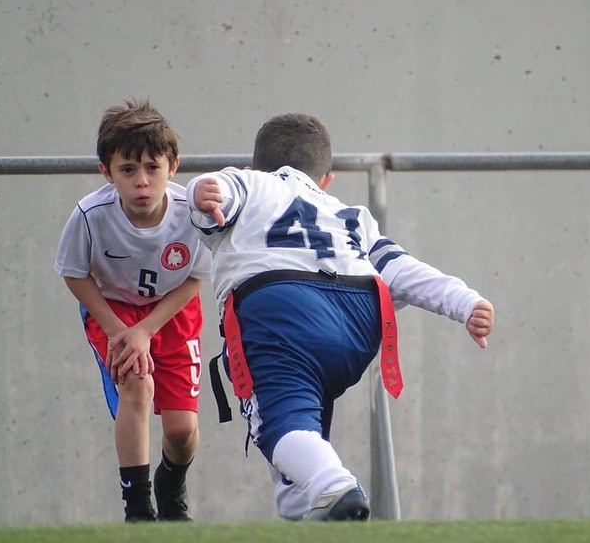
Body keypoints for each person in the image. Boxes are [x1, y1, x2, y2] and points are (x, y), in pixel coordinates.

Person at [185, 112, 495, 521]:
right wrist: (465, 301)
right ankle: (307, 509)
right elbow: (400, 268)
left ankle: (335, 485)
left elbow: (217, 191)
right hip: (358, 317)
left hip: (280, 305)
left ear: (253, 163)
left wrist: (201, 194)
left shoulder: (251, 181)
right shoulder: (351, 215)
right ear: (326, 179)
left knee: (278, 423)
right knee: (304, 426)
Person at [54, 99, 212, 522]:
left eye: (152, 168)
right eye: (128, 170)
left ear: (172, 166)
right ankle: (138, 509)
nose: (142, 182)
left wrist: (148, 328)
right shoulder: (90, 215)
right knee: (137, 383)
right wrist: (121, 330)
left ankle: (171, 481)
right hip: (114, 313)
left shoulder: (190, 215)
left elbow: (197, 276)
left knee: (181, 432)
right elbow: (73, 273)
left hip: (173, 313)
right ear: (107, 172)